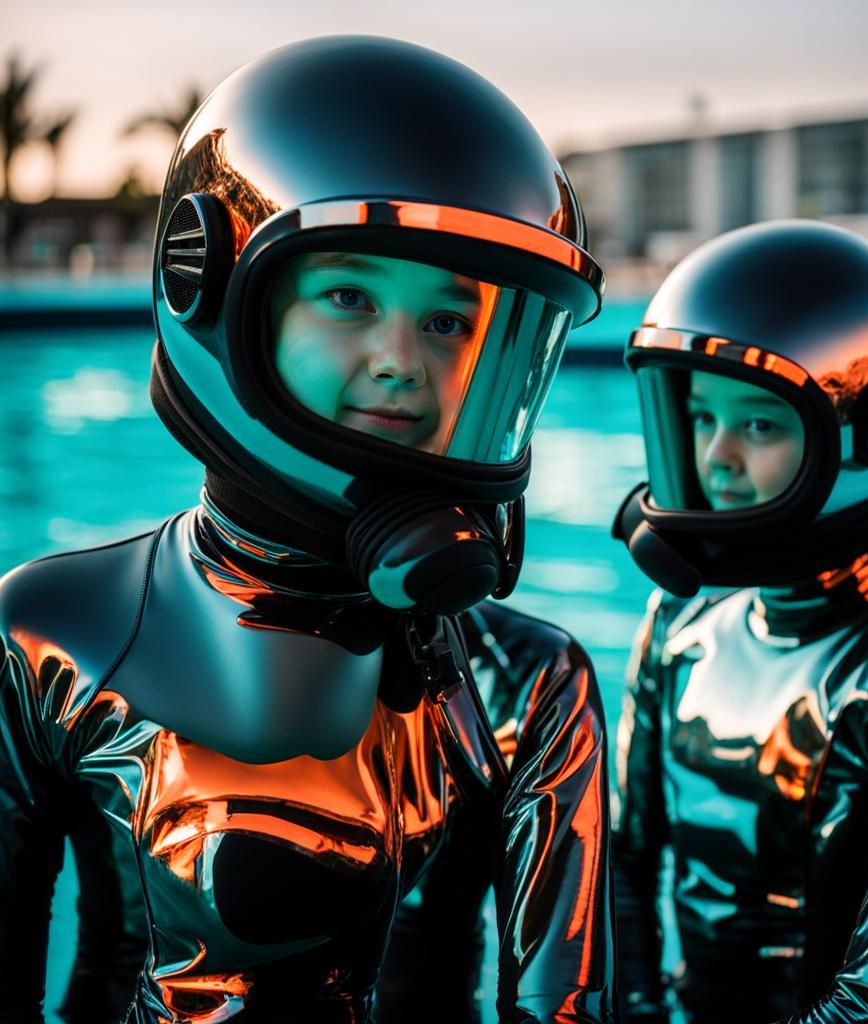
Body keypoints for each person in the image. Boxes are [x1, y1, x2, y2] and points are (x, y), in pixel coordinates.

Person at [0, 36, 613, 1024]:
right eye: (349, 297)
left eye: (449, 322)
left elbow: (566, 1008)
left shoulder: (529, 679)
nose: (401, 362)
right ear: (207, 285)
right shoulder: (49, 625)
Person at [611, 220, 868, 1023]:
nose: (717, 457)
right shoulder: (679, 617)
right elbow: (622, 865)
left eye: (759, 424)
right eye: (699, 417)